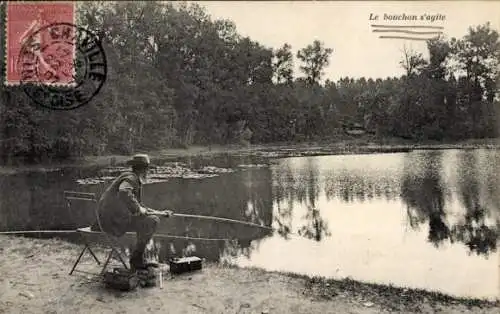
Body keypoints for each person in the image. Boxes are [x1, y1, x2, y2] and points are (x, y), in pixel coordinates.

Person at [94, 154, 172, 270]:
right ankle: (136, 261)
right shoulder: (132, 178)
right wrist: (138, 209)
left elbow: (141, 207)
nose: (148, 172)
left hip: (106, 221)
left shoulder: (131, 178)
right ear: (143, 169)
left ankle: (138, 259)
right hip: (112, 223)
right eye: (147, 169)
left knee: (150, 219)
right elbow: (124, 192)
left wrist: (161, 213)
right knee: (152, 221)